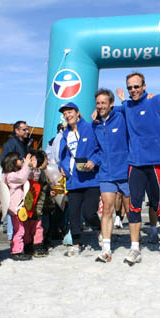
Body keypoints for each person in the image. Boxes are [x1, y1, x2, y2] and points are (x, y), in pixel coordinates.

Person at [117, 72, 160, 265]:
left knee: (159, 204)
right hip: (135, 163)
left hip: (156, 162)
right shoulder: (126, 106)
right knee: (134, 205)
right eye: (130, 87)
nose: (133, 90)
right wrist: (97, 115)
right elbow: (110, 111)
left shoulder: (155, 101)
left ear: (144, 86)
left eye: (136, 86)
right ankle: (135, 248)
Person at [57, 102, 101, 257]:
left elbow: (100, 150)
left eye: (70, 112)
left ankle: (100, 229)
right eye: (65, 114)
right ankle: (76, 243)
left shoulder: (90, 128)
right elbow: (62, 156)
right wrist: (61, 167)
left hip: (91, 179)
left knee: (89, 213)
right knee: (73, 214)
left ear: (77, 113)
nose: (67, 116)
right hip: (73, 180)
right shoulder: (64, 134)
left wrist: (93, 161)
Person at [92, 89, 130, 263]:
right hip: (106, 173)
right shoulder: (95, 124)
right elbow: (95, 149)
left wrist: (123, 102)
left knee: (130, 209)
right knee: (107, 208)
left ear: (111, 104)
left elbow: (131, 109)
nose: (100, 106)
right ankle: (106, 248)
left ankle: (135, 244)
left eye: (103, 103)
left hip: (125, 170)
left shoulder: (121, 117)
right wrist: (94, 161)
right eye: (98, 103)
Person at [2, 152, 34, 260]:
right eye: (19, 159)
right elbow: (22, 177)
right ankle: (17, 251)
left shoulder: (11, 174)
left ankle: (18, 249)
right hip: (15, 207)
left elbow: (24, 175)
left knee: (19, 229)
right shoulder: (10, 176)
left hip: (18, 206)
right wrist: (27, 165)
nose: (21, 161)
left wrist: (29, 166)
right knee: (19, 230)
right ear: (14, 162)